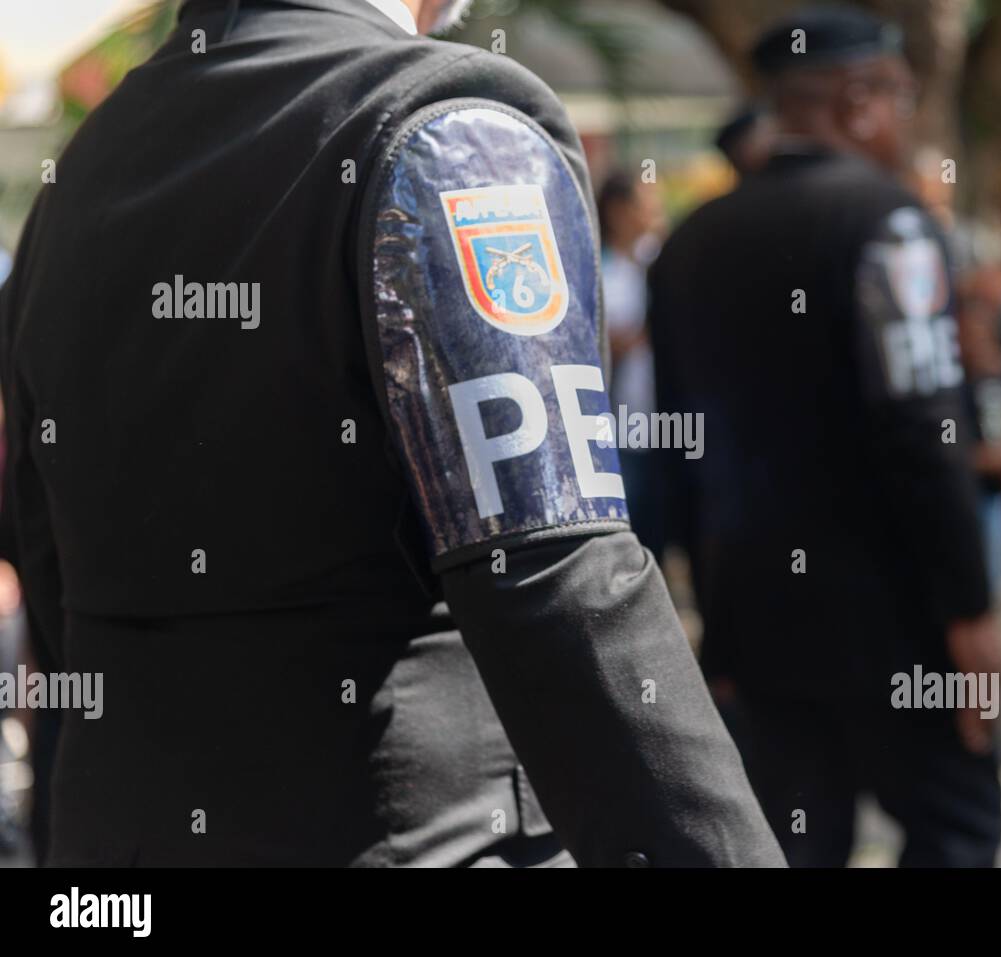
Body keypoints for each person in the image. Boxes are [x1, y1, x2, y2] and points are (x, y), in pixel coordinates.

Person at [0, 0, 782, 867]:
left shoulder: (82, 170)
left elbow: (46, 566)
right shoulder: (447, 132)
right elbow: (558, 571)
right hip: (414, 832)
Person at [650, 7, 1001, 867]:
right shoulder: (890, 222)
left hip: (754, 620)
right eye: (902, 97)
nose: (909, 120)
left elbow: (673, 445)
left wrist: (705, 626)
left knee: (794, 844)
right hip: (899, 615)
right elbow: (924, 427)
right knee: (956, 826)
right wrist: (969, 610)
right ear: (858, 103)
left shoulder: (689, 243)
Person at [597, 171, 666, 558]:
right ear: (618, 210)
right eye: (646, 202)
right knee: (632, 513)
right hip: (622, 419)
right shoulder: (599, 269)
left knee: (661, 514)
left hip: (664, 415)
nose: (655, 211)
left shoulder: (659, 259)